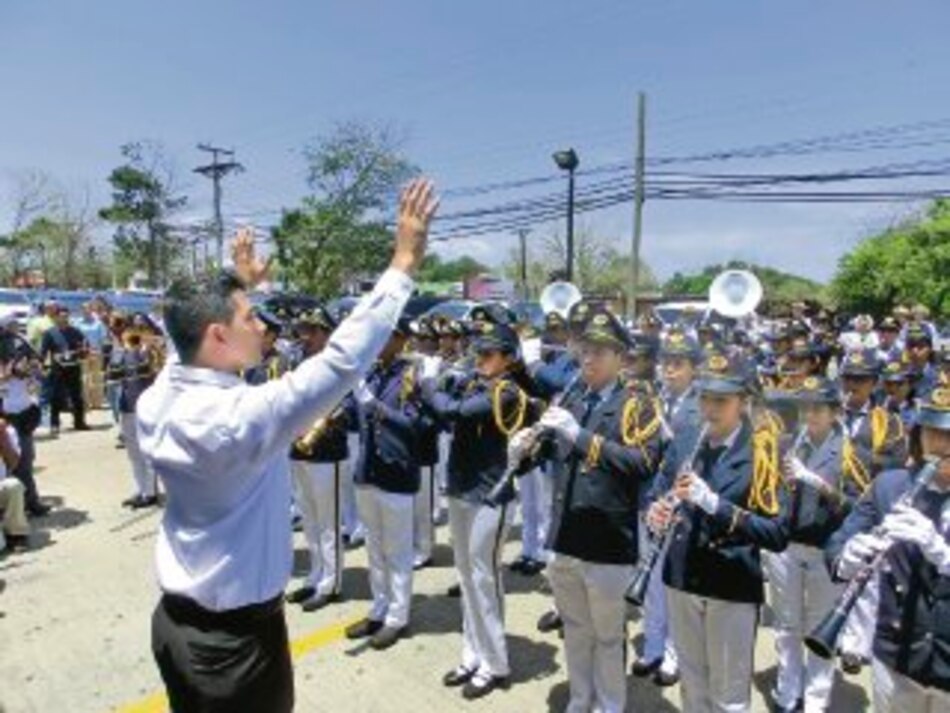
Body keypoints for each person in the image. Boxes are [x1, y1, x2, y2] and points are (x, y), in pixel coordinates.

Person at [139, 179, 437, 713]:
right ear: (218, 337)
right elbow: (341, 362)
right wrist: (402, 264)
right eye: (248, 316)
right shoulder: (238, 419)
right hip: (233, 648)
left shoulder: (158, 399)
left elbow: (179, 346)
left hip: (176, 626)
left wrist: (236, 281)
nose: (262, 324)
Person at [532, 308, 662, 713]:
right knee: (575, 629)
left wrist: (580, 435)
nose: (588, 359)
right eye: (585, 351)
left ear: (621, 358)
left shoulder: (637, 404)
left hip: (607, 538)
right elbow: (554, 452)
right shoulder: (573, 396)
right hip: (566, 533)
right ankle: (580, 697)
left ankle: (609, 704)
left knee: (608, 635)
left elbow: (643, 463)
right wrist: (525, 450)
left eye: (600, 352)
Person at [647, 351, 789, 712]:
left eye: (721, 401)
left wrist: (715, 505)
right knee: (693, 682)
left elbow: (775, 533)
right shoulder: (685, 439)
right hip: (681, 575)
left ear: (743, 402)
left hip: (730, 580)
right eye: (705, 398)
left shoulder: (763, 451)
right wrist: (657, 512)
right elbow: (659, 490)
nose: (709, 408)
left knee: (728, 692)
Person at [420, 318, 538, 700]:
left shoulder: (507, 391)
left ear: (508, 358)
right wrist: (445, 380)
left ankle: (495, 662)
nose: (480, 359)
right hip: (460, 487)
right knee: (467, 577)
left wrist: (427, 384)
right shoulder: (477, 382)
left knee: (484, 578)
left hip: (490, 494)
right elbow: (447, 406)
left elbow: (455, 412)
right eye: (478, 353)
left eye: (488, 354)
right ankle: (473, 653)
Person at [825, 387, 950, 711]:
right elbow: (838, 544)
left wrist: (942, 552)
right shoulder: (890, 485)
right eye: (934, 433)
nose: (943, 445)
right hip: (897, 654)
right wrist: (848, 556)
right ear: (918, 437)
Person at [765, 376, 866, 712]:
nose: (810, 414)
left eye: (818, 408)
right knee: (787, 624)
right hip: (788, 545)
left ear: (835, 412)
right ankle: (787, 690)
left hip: (825, 547)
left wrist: (817, 483)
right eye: (805, 407)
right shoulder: (790, 444)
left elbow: (857, 507)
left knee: (820, 629)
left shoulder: (849, 452)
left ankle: (816, 700)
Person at [346, 316, 431, 650]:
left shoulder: (413, 375)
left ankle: (397, 616)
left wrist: (375, 407)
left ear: (399, 340)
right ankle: (379, 607)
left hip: (396, 472)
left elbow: (414, 425)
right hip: (368, 470)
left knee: (396, 551)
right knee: (374, 547)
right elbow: (357, 420)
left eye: (385, 337)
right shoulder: (371, 372)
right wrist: (352, 402)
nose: (377, 343)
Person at [285, 306, 350, 614]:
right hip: (299, 449)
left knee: (328, 521)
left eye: (311, 331)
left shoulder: (339, 364)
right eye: (303, 331)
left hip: (327, 451)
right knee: (309, 518)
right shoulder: (299, 360)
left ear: (327, 333)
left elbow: (347, 406)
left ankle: (331, 582)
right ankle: (314, 575)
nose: (305, 336)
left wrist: (317, 426)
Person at [40, 306, 89, 434]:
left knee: (76, 396)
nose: (64, 318)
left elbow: (84, 347)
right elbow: (43, 353)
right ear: (56, 317)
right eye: (61, 316)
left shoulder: (76, 332)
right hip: (58, 369)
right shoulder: (49, 333)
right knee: (56, 397)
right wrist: (42, 366)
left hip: (73, 367)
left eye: (66, 316)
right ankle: (54, 423)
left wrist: (83, 352)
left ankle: (79, 422)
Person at [0, 415, 30, 553]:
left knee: (14, 485)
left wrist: (3, 437)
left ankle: (16, 534)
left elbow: (13, 464)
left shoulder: (7, 430)